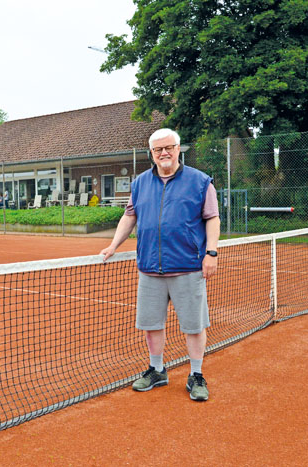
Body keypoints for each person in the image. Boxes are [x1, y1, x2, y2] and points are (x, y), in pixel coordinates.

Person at [100, 128, 220, 402]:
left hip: (188, 267)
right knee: (151, 324)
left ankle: (196, 375)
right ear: (151, 154)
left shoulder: (200, 182)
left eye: (169, 147)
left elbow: (212, 218)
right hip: (150, 269)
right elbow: (129, 217)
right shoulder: (140, 183)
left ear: (179, 149)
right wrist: (113, 245)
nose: (164, 153)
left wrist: (211, 252)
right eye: (158, 149)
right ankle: (157, 370)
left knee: (193, 325)